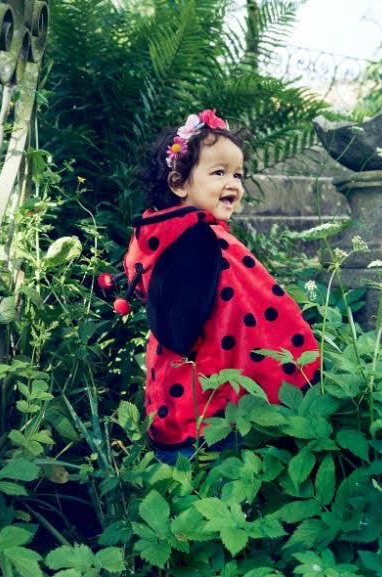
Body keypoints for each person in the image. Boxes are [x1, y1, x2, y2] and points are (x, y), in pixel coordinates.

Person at [110, 109, 321, 464]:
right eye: (219, 172)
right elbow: (184, 319)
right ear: (179, 183)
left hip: (189, 402)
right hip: (210, 407)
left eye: (238, 173)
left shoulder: (170, 232)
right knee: (213, 475)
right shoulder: (195, 239)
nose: (234, 183)